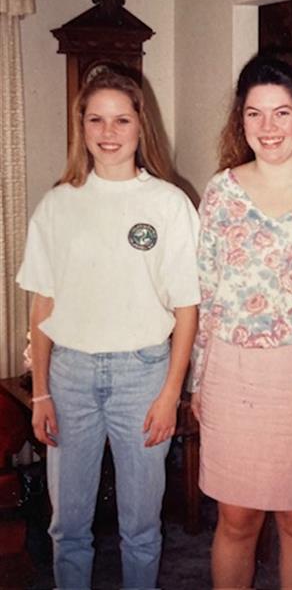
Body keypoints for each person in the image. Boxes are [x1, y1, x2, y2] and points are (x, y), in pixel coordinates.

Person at [16, 70, 200, 590]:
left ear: (142, 125)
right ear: (82, 127)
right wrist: (42, 393)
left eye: (121, 118)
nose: (108, 131)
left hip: (142, 376)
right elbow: (43, 303)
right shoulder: (58, 204)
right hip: (69, 375)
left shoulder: (168, 203)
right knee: (68, 524)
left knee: (140, 526)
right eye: (96, 118)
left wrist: (171, 394)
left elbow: (187, 307)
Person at [190, 51, 292, 589]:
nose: (267, 127)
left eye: (281, 113)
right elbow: (205, 296)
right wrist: (197, 378)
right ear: (241, 120)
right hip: (234, 376)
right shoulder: (221, 193)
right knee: (237, 519)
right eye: (254, 114)